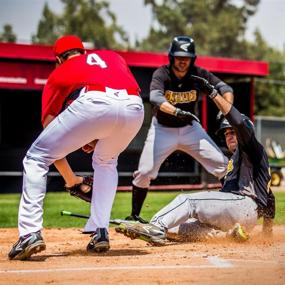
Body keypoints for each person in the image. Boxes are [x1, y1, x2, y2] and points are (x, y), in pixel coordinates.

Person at [8, 35, 144, 260]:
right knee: (106, 161)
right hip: (135, 107)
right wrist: (91, 136)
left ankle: (30, 233)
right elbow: (115, 106)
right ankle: (101, 231)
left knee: (35, 158)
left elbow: (49, 130)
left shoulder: (61, 71)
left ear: (60, 59)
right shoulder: (112, 57)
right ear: (84, 52)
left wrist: (71, 179)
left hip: (95, 101)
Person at [116, 75, 275, 245]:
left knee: (187, 201)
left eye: (232, 132)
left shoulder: (251, 147)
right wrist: (267, 232)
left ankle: (155, 226)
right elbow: (270, 198)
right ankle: (230, 236)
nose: (229, 136)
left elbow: (239, 122)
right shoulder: (240, 160)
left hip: (242, 205)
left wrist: (213, 93)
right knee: (179, 229)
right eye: (226, 133)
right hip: (240, 216)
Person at [126, 36, 234, 222]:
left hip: (190, 128)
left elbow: (226, 88)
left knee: (223, 165)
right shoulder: (162, 73)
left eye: (187, 57)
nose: (182, 61)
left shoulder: (198, 73)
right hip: (162, 128)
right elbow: (155, 98)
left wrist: (227, 110)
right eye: (178, 56)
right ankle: (135, 215)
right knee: (144, 172)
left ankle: (234, 209)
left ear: (193, 58)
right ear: (171, 56)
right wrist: (176, 111)